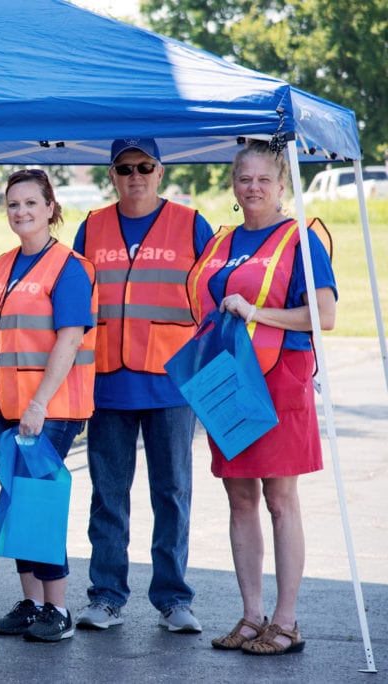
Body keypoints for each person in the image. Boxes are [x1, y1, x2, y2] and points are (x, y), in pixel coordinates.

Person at [187, 139, 335, 655]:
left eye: (264, 179)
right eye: (244, 178)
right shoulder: (222, 241)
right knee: (240, 499)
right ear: (234, 183)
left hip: (279, 381)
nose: (253, 187)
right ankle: (252, 617)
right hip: (228, 381)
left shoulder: (301, 240)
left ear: (281, 185)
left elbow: (324, 316)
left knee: (279, 499)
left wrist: (255, 312)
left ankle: (287, 621)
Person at [72, 138, 213, 634]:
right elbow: (73, 301)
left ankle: (174, 598)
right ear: (112, 175)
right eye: (125, 168)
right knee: (108, 495)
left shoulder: (192, 223)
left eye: (144, 166)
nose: (135, 175)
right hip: (107, 381)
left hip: (172, 383)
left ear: (160, 171)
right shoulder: (90, 227)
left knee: (172, 492)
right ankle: (106, 596)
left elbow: (213, 300)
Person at [0, 169, 97, 642]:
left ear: (50, 208)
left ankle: (58, 610)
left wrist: (40, 402)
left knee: (37, 501)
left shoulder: (68, 266)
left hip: (50, 408)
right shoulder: (3, 265)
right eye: (12, 204)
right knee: (18, 498)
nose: (20, 212)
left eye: (30, 203)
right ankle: (32, 603)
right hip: (5, 405)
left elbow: (69, 338)